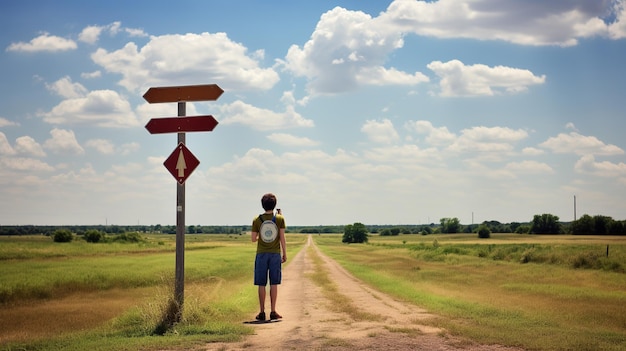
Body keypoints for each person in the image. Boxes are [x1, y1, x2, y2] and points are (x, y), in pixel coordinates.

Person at [251, 193, 287, 321]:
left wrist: (262, 234)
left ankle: (261, 312)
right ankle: (273, 311)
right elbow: (282, 237)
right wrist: (285, 253)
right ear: (275, 204)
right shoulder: (280, 219)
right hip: (275, 254)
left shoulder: (257, 220)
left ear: (262, 205)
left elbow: (253, 239)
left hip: (261, 254)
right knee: (274, 283)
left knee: (261, 284)